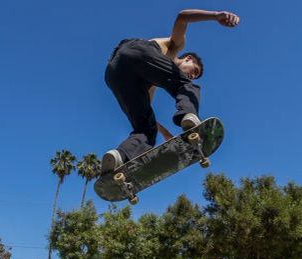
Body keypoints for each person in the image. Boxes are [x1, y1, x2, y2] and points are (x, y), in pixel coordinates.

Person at [101, 9, 240, 174]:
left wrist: (166, 135)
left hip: (114, 74)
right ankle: (189, 116)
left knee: (145, 128)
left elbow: (147, 113)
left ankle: (118, 157)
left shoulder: (152, 81)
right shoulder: (175, 46)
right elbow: (182, 17)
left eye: (194, 75)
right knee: (188, 87)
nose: (192, 76)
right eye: (193, 71)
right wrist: (216, 16)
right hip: (136, 51)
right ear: (188, 58)